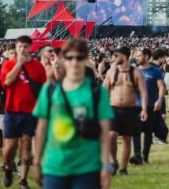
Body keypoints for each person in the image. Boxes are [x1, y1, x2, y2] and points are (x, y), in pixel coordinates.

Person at [32, 39, 114, 189]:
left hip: (87, 167)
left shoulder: (97, 92)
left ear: (86, 59)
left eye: (79, 57)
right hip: (54, 166)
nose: (74, 62)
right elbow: (41, 129)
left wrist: (106, 166)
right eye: (70, 57)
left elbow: (104, 133)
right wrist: (36, 162)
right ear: (63, 58)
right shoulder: (49, 90)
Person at [0, 35, 47, 189]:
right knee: (10, 146)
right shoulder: (8, 64)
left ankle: (23, 179)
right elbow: (7, 82)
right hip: (12, 111)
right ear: (16, 47)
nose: (22, 49)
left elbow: (43, 89)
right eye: (19, 46)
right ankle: (7, 167)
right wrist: (19, 64)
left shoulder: (38, 67)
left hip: (31, 112)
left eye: (25, 47)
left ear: (30, 47)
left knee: (26, 145)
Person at [102, 45, 147, 176]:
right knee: (111, 136)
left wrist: (144, 109)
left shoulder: (136, 73)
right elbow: (105, 91)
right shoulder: (111, 72)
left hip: (130, 110)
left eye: (116, 55)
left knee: (127, 139)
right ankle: (113, 161)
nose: (114, 58)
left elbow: (143, 93)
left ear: (125, 56)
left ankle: (123, 167)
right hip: (113, 109)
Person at [133, 48, 167, 164]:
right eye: (135, 56)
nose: (136, 58)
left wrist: (159, 100)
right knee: (136, 132)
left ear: (147, 57)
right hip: (136, 106)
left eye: (139, 55)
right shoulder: (134, 70)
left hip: (151, 106)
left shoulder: (155, 71)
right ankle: (137, 156)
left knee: (148, 132)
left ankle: (145, 156)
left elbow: (162, 87)